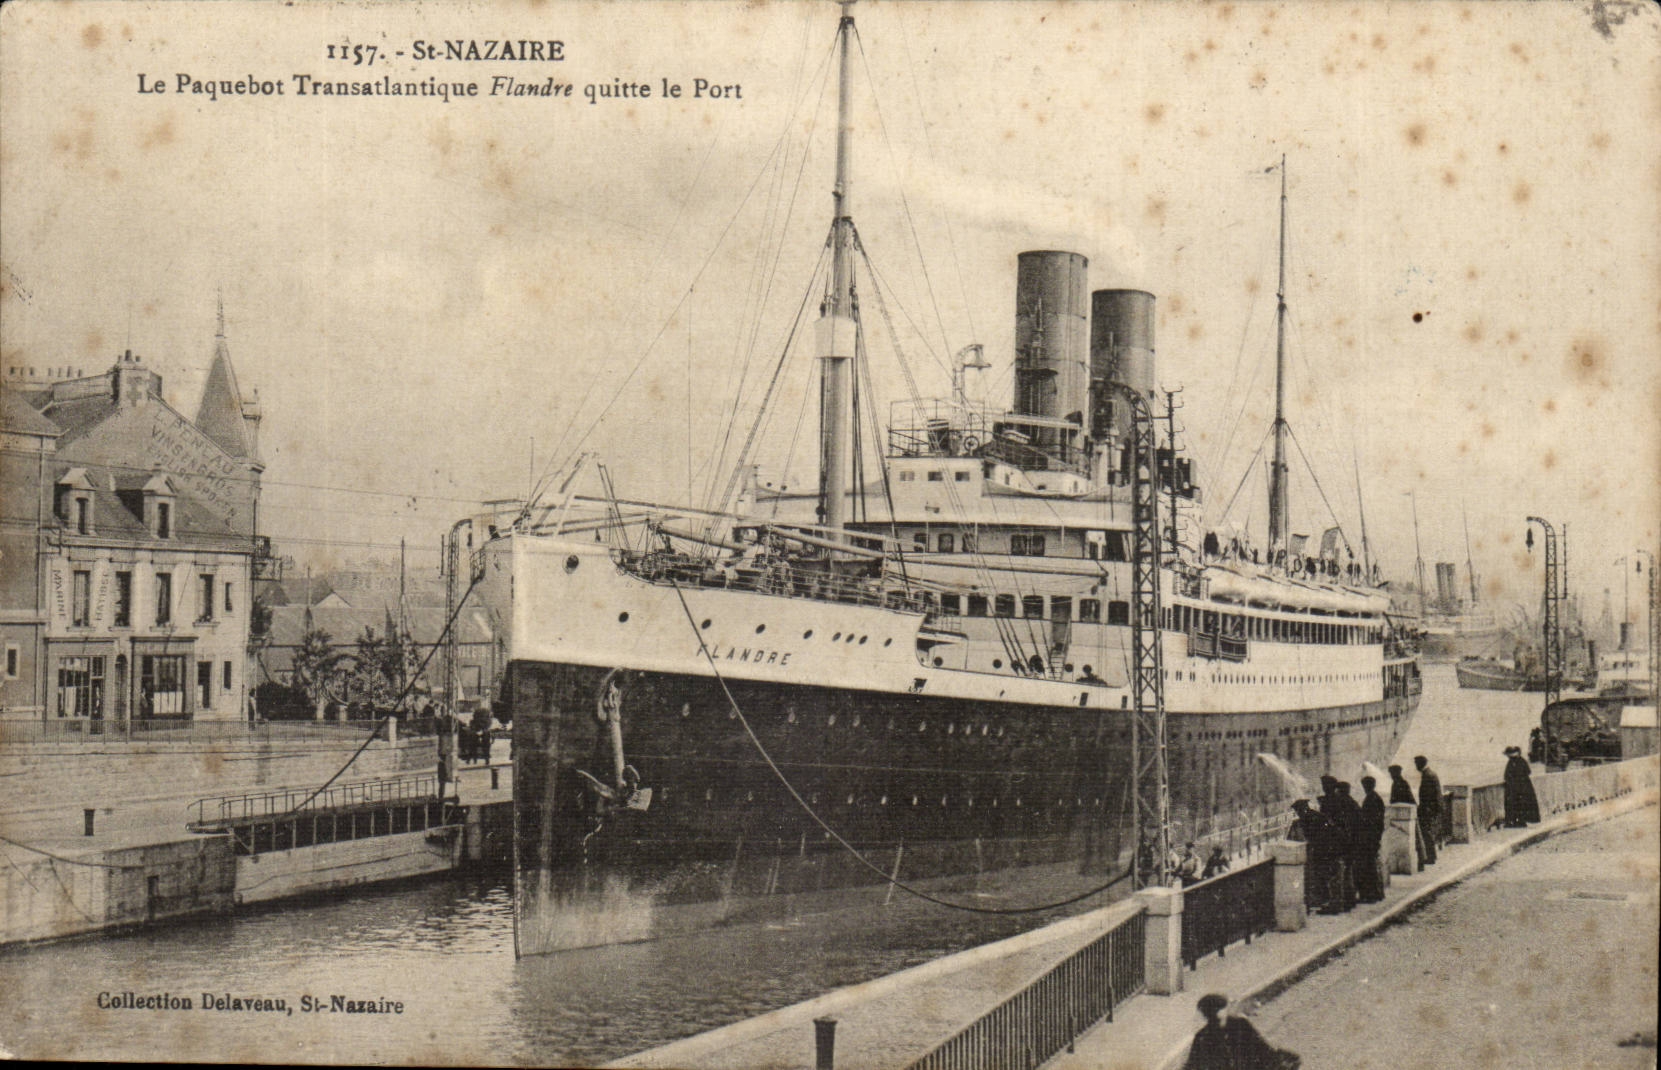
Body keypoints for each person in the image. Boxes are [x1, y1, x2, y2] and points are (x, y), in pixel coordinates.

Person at [1184, 993, 1299, 1070]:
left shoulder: (1240, 1025)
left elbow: (1260, 1047)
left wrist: (1279, 1060)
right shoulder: (1203, 1037)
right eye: (1220, 1009)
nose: (1224, 1011)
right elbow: (1194, 1064)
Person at [1356, 775, 1386, 903]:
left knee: (1368, 867)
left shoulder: (1370, 800)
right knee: (1372, 866)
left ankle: (1370, 895)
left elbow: (1369, 821)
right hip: (1374, 837)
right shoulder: (1376, 798)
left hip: (1369, 838)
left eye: (1365, 785)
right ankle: (1377, 893)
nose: (1364, 788)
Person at [1502, 746, 1542, 827]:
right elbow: (1528, 771)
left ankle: (1518, 821)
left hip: (1518, 787)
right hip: (1523, 786)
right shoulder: (1521, 761)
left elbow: (1507, 775)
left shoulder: (1514, 762)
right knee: (1521, 804)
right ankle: (1519, 820)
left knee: (1518, 804)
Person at [1414, 755, 1442, 865]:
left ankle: (1430, 858)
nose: (1416, 766)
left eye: (1416, 764)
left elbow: (1428, 796)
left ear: (1421, 764)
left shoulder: (1427, 776)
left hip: (1428, 809)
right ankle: (1432, 856)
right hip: (1431, 809)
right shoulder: (1430, 774)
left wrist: (1424, 809)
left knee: (1427, 833)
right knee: (1429, 832)